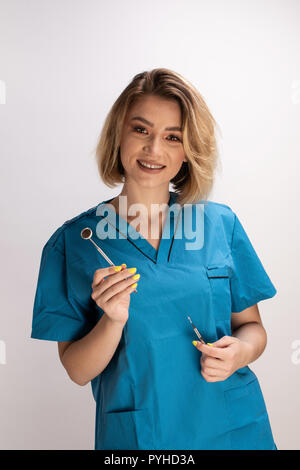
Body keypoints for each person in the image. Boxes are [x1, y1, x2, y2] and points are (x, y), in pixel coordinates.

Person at [31, 68, 278, 450]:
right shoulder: (74, 244)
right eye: (141, 130)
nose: (154, 150)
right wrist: (112, 322)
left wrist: (241, 352)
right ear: (119, 134)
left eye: (172, 136)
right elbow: (77, 370)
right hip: (145, 439)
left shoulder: (219, 224)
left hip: (235, 430)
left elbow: (252, 328)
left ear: (188, 149)